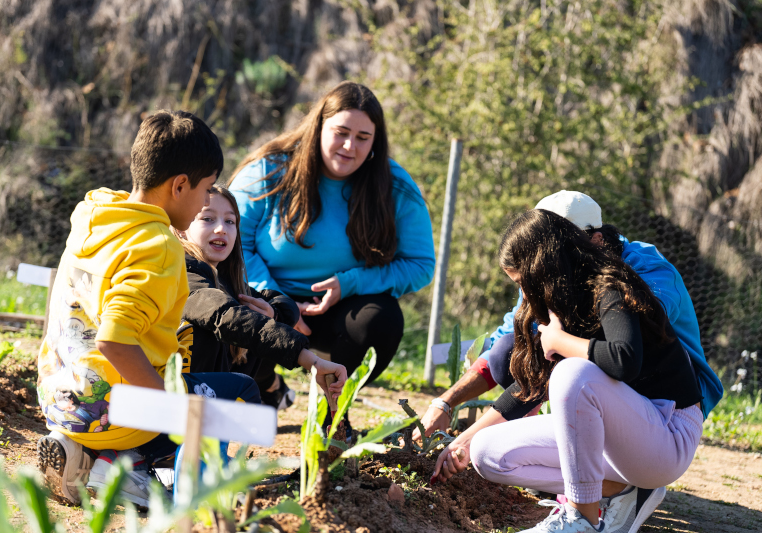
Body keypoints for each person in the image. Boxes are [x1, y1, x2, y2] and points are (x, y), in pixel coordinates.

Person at [35, 111, 345, 508]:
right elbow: (115, 340)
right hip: (113, 410)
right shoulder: (160, 248)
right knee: (239, 396)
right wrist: (169, 411)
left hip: (58, 398)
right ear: (180, 186)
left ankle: (92, 455)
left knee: (194, 385)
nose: (207, 201)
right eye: (206, 191)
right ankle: (149, 477)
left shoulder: (95, 211)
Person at [433, 209, 704, 533]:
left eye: (524, 282)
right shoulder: (557, 304)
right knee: (487, 452)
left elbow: (624, 360)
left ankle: (581, 519)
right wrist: (460, 444)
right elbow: (530, 389)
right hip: (613, 442)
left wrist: (560, 341)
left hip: (666, 434)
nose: (523, 293)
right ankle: (621, 490)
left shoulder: (610, 284)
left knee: (571, 375)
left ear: (543, 267)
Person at [416, 191, 722, 441]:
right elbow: (505, 340)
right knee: (508, 351)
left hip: (665, 396)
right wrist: (444, 403)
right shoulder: (546, 272)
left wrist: (555, 346)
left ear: (592, 241)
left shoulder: (646, 273)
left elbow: (629, 350)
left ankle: (622, 471)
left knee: (567, 359)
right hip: (597, 370)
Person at [228, 81, 435, 406]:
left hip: (341, 307)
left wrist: (349, 283)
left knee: (382, 319)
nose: (350, 146)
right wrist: (280, 303)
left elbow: (420, 265)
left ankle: (330, 411)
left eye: (363, 138)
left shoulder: (395, 186)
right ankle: (266, 385)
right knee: (230, 308)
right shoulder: (268, 171)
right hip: (267, 297)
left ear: (375, 143)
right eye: (341, 132)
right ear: (318, 127)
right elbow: (233, 244)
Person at [173, 186, 348, 409]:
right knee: (244, 356)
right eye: (207, 218)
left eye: (230, 221)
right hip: (165, 397)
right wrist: (310, 361)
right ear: (181, 228)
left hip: (200, 398)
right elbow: (227, 317)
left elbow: (278, 301)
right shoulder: (182, 274)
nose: (221, 229)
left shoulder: (226, 281)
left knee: (256, 319)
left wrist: (272, 312)